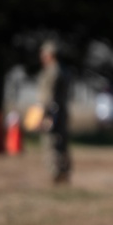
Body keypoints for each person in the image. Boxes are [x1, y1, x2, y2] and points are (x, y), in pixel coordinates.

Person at [36, 40, 72, 184]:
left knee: (51, 142)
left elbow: (48, 96)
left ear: (49, 55)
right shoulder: (64, 70)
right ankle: (64, 171)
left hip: (51, 111)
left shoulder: (52, 72)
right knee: (62, 142)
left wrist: (44, 114)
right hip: (61, 110)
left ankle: (56, 173)